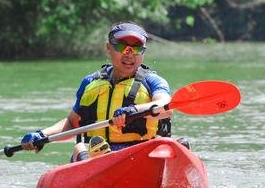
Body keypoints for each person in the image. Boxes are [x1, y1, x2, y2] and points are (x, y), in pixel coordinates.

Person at [21, 21, 173, 161]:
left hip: (139, 153)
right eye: (122, 47)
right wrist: (42, 135)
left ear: (143, 52)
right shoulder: (90, 83)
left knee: (163, 145)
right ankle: (98, 160)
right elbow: (72, 123)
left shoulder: (153, 81)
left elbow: (165, 106)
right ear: (108, 47)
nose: (129, 54)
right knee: (80, 147)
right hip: (95, 156)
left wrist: (133, 110)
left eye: (137, 49)